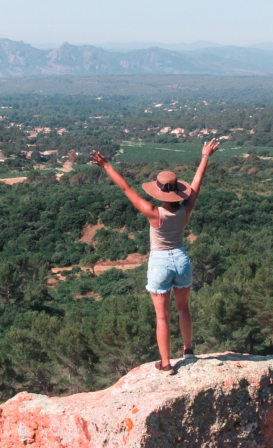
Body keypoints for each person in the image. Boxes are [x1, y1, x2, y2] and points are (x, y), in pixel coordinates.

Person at [89, 139, 219, 374]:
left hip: (159, 262)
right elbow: (198, 182)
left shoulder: (152, 212)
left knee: (162, 317)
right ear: (178, 190)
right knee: (183, 308)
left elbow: (126, 189)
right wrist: (205, 157)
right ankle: (188, 350)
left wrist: (106, 166)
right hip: (181, 258)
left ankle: (166, 364)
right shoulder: (185, 209)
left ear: (159, 191)